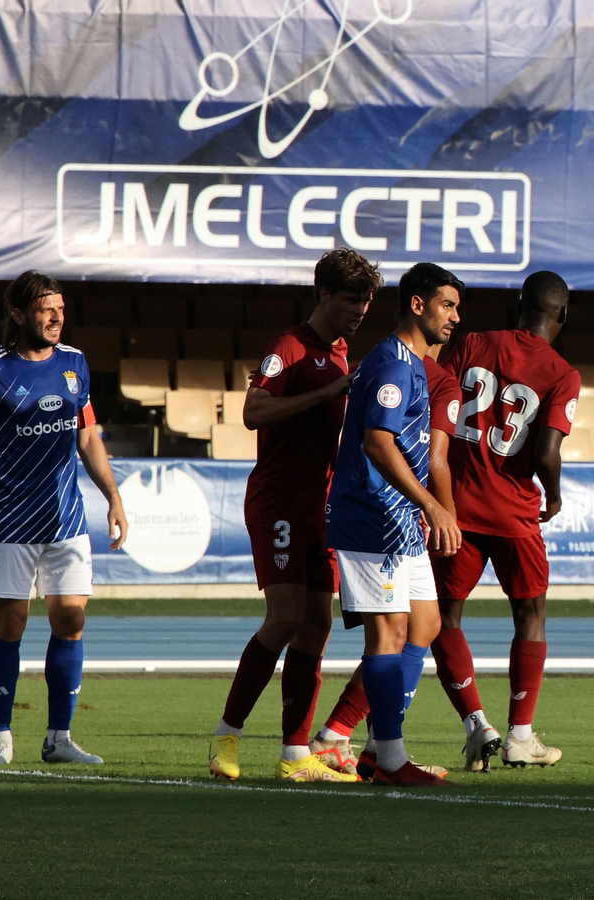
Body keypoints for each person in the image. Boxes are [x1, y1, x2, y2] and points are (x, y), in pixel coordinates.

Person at [208, 248, 376, 782]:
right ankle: (225, 738)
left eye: (367, 300)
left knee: (318, 625)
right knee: (283, 619)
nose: (361, 309)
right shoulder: (289, 346)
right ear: (323, 294)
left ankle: (295, 754)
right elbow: (253, 411)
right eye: (352, 299)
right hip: (279, 500)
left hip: (320, 506)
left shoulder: (344, 350)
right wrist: (329, 391)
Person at [0, 271, 128, 766]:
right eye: (45, 309)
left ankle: (58, 738)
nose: (57, 316)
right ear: (18, 314)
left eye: (61, 307)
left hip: (66, 520)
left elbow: (87, 437)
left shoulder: (75, 363)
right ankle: (1, 738)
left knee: (71, 619)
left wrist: (114, 497)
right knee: (11, 625)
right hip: (11, 521)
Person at [431, 270, 581, 771]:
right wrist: (554, 496)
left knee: (442, 618)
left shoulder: (472, 342)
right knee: (530, 616)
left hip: (456, 508)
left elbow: (436, 406)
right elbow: (546, 452)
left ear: (519, 304)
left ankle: (477, 725)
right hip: (515, 514)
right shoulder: (562, 373)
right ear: (561, 314)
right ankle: (520, 735)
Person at [325, 263, 462, 785]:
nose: (455, 317)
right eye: (447, 305)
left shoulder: (413, 364)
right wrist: (432, 504)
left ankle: (376, 749)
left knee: (424, 625)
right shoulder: (391, 363)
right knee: (387, 635)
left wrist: (424, 510)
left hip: (400, 521)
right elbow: (378, 442)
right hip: (373, 518)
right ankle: (388, 758)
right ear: (418, 304)